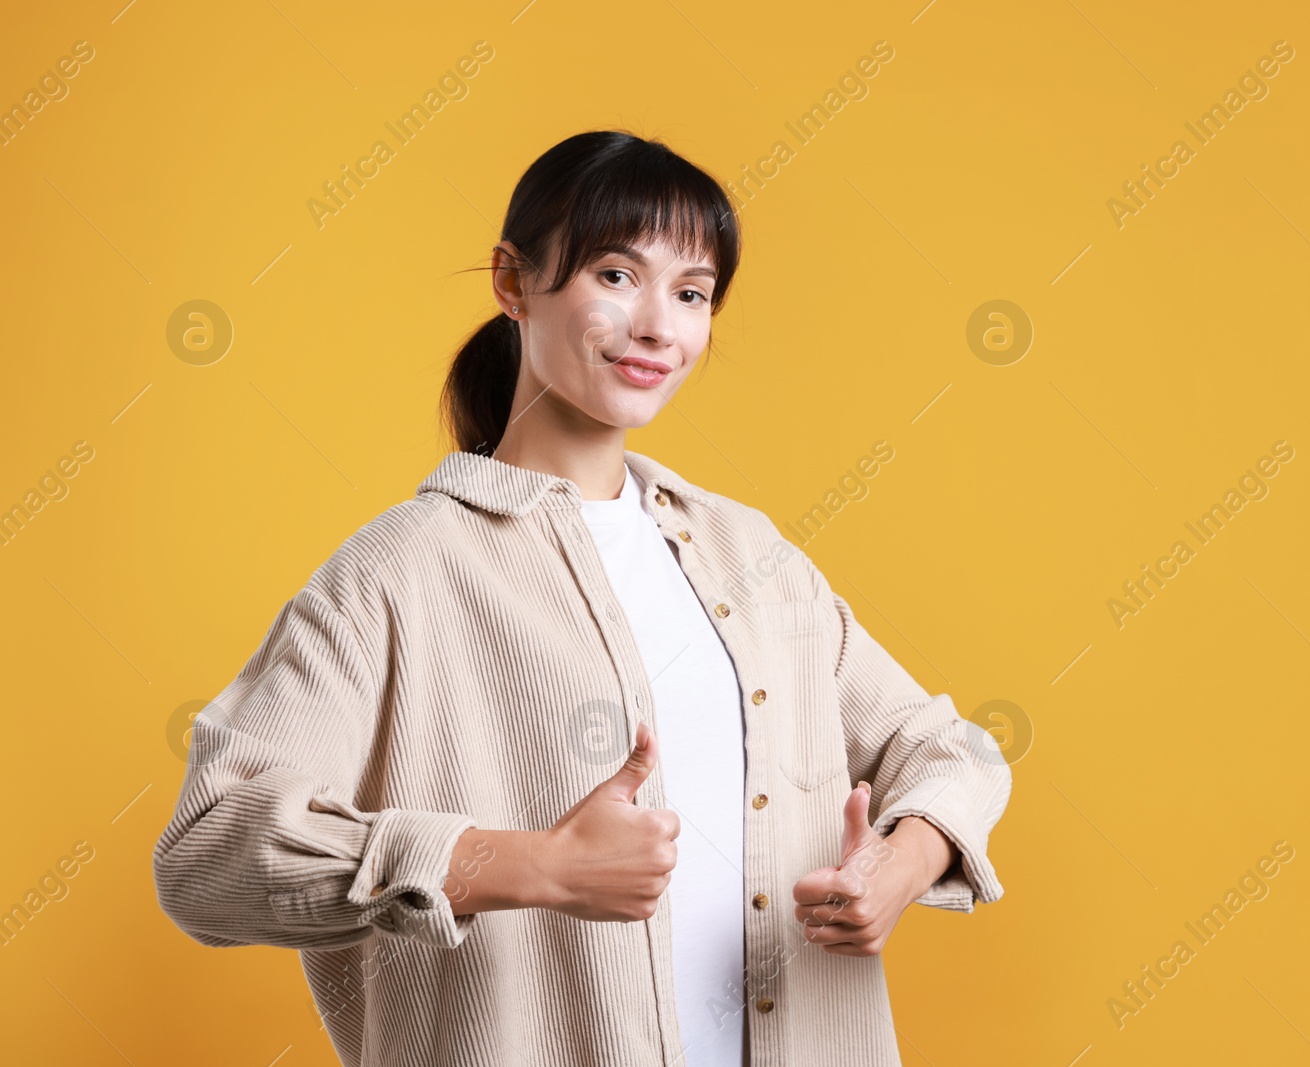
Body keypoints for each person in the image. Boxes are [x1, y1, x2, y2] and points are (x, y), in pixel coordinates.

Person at [152, 129, 1010, 1067]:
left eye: (691, 293)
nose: (658, 327)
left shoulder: (748, 555)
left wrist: (905, 858)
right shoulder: (398, 572)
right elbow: (207, 854)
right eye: (615, 275)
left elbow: (947, 748)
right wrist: (532, 866)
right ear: (512, 281)